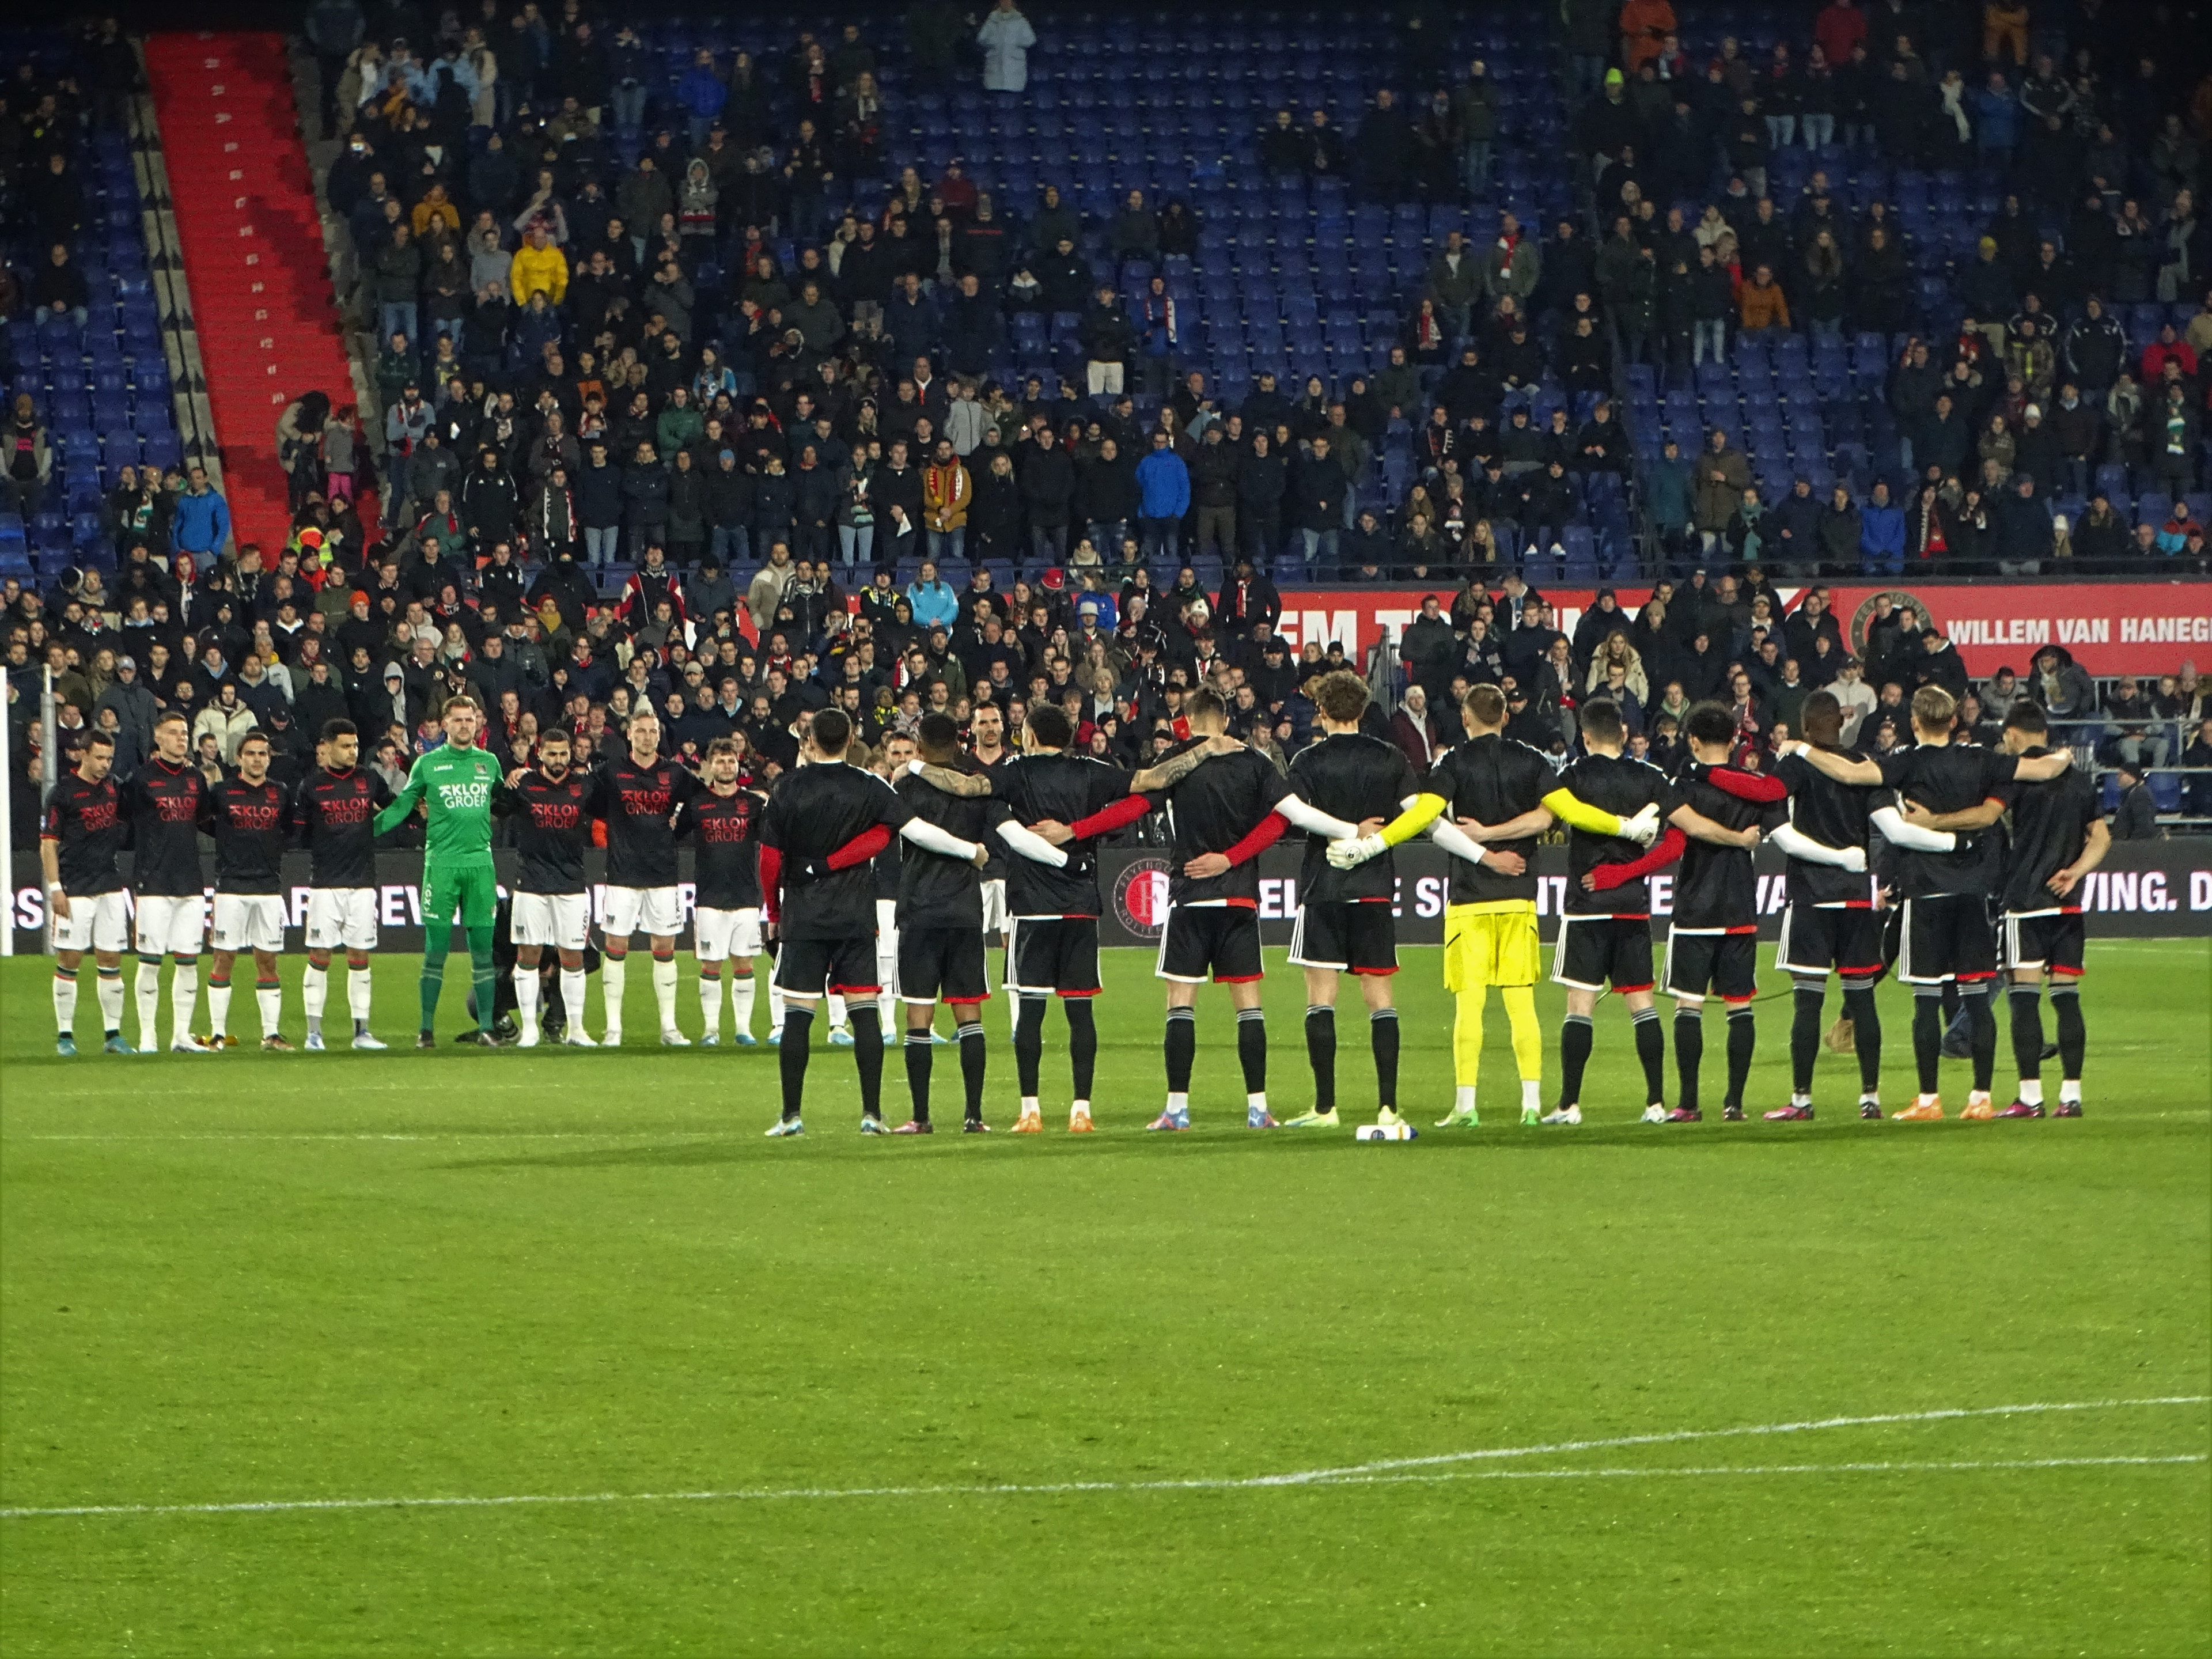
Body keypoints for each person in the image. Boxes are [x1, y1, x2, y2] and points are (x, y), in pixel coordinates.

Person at [1338, 683, 1622, 1126]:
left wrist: (1375, 844)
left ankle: (1466, 1106)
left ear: (1466, 718)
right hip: (1518, 898)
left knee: (1468, 1007)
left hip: (1470, 900)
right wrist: (1624, 827)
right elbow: (1569, 812)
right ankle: (1531, 1105)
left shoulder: (1452, 762)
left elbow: (1423, 816)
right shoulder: (1531, 760)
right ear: (1505, 716)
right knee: (1521, 1006)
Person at [1785, 685, 2071, 1120]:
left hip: (1925, 891)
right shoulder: (1980, 759)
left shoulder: (1906, 763)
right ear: (1954, 721)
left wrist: (1802, 749)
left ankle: (1928, 1100)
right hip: (1974, 890)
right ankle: (1981, 1098)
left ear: (1915, 722)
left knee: (1926, 999)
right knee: (1977, 998)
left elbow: (1851, 775)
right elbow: (2044, 768)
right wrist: (2065, 756)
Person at [756, 708, 993, 1137]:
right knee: (864, 1013)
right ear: (851, 740)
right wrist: (970, 850)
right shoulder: (869, 785)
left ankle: (791, 1116)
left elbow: (770, 859)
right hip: (855, 915)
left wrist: (774, 913)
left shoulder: (786, 787)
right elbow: (898, 832)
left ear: (810, 741)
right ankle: (872, 1114)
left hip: (804, 915)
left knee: (798, 1015)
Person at [1138, 687, 1362, 1131]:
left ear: (1186, 721)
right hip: (1239, 898)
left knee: (1180, 1005)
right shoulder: (1254, 762)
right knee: (1249, 1008)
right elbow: (1291, 816)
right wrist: (1353, 830)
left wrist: (1074, 830)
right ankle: (1258, 1108)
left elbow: (1137, 799)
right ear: (1225, 721)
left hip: (1189, 897)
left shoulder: (1176, 760)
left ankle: (1177, 1109)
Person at [1597, 703, 1789, 1122]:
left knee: (1690, 1004)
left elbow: (1678, 843)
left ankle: (1688, 1103)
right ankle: (1734, 1104)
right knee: (1739, 1006)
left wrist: (1624, 873)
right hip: (1740, 905)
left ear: (1694, 741)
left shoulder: (1685, 786)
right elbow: (1778, 805)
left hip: (1695, 908)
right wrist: (1742, 839)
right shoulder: (1752, 786)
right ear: (1734, 740)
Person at [1768, 690, 1953, 1121]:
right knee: (1862, 1001)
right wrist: (1953, 841)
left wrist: (1835, 858)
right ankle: (1871, 1098)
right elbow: (1895, 829)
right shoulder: (1864, 766)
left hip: (1811, 897)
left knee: (1807, 1002)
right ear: (1842, 723)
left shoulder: (1793, 764)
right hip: (1854, 899)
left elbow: (1781, 833)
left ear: (1805, 727)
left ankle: (1801, 1100)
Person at [1546, 699, 1724, 1125]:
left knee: (1579, 1006)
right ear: (1624, 734)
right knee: (1643, 1005)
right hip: (1632, 906)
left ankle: (1569, 1105)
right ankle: (1656, 1104)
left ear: (1585, 736)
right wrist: (1738, 838)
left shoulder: (1574, 775)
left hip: (1587, 905)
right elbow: (1686, 833)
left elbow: (1544, 820)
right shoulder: (1650, 776)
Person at [888, 713, 1067, 1132]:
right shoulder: (978, 790)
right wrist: (1066, 859)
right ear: (959, 743)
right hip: (964, 912)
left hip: (918, 912)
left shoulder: (906, 787)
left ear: (919, 745)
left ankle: (921, 1117)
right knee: (970, 1017)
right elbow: (1013, 835)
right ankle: (974, 1116)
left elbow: (907, 834)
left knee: (918, 1018)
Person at [1275, 673, 1419, 1131]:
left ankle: (1325, 1108)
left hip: (1324, 887)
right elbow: (1418, 815)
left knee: (1321, 999)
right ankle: (1388, 1108)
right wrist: (1374, 837)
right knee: (1380, 1000)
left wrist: (1343, 830)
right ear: (1362, 710)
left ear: (1321, 711)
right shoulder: (1390, 757)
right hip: (1374, 887)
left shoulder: (1307, 759)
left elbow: (1294, 813)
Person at [372, 694, 506, 1047]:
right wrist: (365, 832)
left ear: (478, 723)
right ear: (444, 724)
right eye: (457, 719)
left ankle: (487, 1028)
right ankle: (426, 1030)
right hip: (442, 866)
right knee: (435, 952)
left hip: (480, 866)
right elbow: (403, 805)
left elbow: (506, 803)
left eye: (469, 719)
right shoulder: (427, 764)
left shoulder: (489, 762)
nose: (464, 725)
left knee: (483, 953)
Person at [1994, 703, 2108, 1118]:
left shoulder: (2015, 776)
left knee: (2024, 1000)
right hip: (2066, 905)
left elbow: (1988, 818)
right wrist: (2075, 872)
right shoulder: (2077, 780)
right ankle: (2072, 1096)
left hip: (2025, 901)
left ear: (2013, 734)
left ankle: (2030, 1097)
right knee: (2066, 998)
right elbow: (2101, 837)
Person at [589, 706, 699, 1046]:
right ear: (629, 735)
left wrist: (678, 829)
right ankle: (613, 1030)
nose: (647, 737)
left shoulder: (675, 773)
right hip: (622, 873)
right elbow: (585, 800)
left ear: (659, 735)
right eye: (641, 731)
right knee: (616, 947)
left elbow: (701, 803)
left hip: (663, 872)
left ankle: (669, 1028)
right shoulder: (611, 772)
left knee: (664, 948)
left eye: (652, 731)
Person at [293, 718, 395, 1051]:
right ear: (327, 747)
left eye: (355, 746)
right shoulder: (312, 786)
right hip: (325, 884)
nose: (353, 752)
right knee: (320, 955)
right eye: (346, 746)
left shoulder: (369, 779)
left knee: (360, 955)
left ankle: (362, 1032)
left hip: (363, 883)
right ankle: (313, 1033)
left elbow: (396, 807)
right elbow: (299, 832)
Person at [494, 725, 596, 1048]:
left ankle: (576, 1029)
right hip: (531, 883)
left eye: (563, 753)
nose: (558, 759)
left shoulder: (584, 786)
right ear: (539, 753)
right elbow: (495, 807)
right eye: (552, 754)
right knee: (528, 955)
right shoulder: (524, 785)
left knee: (573, 958)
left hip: (571, 883)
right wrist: (506, 780)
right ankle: (530, 1031)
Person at [120, 711, 214, 1054]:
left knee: (188, 961)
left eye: (184, 733)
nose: (181, 738)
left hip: (190, 882)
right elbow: (123, 819)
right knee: (150, 961)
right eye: (174, 733)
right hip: (153, 882)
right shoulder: (141, 779)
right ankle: (148, 1036)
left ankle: (181, 1036)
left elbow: (205, 821)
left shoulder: (195, 778)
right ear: (158, 738)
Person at [198, 729, 295, 1051]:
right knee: (223, 959)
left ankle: (271, 1034)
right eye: (251, 753)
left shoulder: (280, 792)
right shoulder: (222, 792)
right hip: (231, 888)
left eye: (262, 753)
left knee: (268, 962)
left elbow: (288, 829)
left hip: (268, 888)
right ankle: (217, 1034)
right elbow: (204, 822)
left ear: (269, 758)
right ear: (239, 758)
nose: (257, 759)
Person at [41, 731, 131, 1056]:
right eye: (100, 758)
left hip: (110, 885)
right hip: (75, 888)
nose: (106, 764)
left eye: (110, 758)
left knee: (111, 959)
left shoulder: (115, 788)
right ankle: (65, 1036)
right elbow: (48, 844)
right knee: (70, 959)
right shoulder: (62, 793)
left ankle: (113, 1035)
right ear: (83, 755)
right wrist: (56, 888)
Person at [678, 737, 770, 1047]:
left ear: (739, 764)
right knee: (711, 966)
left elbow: (772, 839)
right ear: (710, 765)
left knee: (745, 964)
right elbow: (674, 835)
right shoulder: (697, 804)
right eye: (720, 761)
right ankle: (711, 1030)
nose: (727, 766)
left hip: (746, 897)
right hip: (709, 898)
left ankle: (744, 1029)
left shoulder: (754, 804)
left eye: (731, 761)